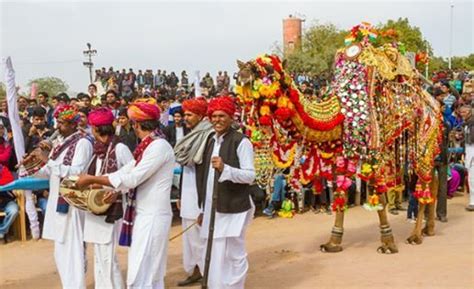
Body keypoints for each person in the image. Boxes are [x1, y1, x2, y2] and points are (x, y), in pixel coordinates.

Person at [76, 98, 175, 289]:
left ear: (137, 124)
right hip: (143, 214)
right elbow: (125, 172)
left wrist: (92, 180)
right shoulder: (146, 147)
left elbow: (132, 179)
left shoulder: (158, 147)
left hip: (153, 216)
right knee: (145, 272)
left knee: (144, 273)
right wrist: (102, 185)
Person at [195, 96, 255, 289]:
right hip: (213, 207)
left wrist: (226, 169)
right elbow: (206, 179)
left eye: (222, 116)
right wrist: (204, 209)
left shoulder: (242, 142)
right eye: (213, 116)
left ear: (231, 117)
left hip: (234, 206)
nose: (217, 120)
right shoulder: (211, 141)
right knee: (212, 250)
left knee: (233, 253)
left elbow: (250, 176)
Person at [31, 104, 93, 289]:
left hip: (72, 203)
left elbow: (76, 173)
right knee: (61, 250)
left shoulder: (83, 143)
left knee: (72, 250)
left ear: (73, 124)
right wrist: (31, 165)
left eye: (62, 123)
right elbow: (50, 172)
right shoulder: (60, 144)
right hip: (57, 203)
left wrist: (47, 160)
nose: (58, 127)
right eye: (57, 122)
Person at [83, 108, 134, 289]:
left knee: (106, 255)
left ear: (96, 129)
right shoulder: (96, 150)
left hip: (112, 208)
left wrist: (111, 190)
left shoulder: (120, 148)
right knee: (100, 254)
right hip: (94, 207)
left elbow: (132, 177)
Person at [173, 97, 212, 286]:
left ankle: (209, 275)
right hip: (187, 193)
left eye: (189, 114)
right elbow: (185, 169)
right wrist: (180, 195)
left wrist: (205, 205)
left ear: (200, 115)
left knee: (202, 237)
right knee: (190, 238)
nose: (185, 118)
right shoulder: (191, 136)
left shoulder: (209, 136)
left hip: (201, 196)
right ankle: (196, 271)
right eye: (184, 114)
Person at [459, 105, 474, 211]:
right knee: (471, 178)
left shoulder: (471, 123)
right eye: (461, 112)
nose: (462, 114)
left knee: (472, 178)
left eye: (464, 112)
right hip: (469, 151)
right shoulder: (466, 124)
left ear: (469, 112)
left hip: (472, 151)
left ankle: (473, 202)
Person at [0, 166, 17, 242]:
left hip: (6, 200)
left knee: (14, 211)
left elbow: (9, 180)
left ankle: (1, 231)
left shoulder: (2, 168)